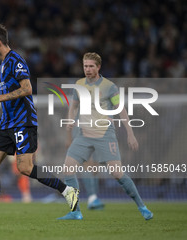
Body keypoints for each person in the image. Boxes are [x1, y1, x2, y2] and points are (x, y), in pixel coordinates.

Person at [0, 24, 79, 224]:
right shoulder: (3, 64)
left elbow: (27, 88)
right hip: (6, 123)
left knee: (25, 167)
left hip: (23, 122)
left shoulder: (16, 60)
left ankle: (67, 190)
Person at [58, 52, 153, 220]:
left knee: (117, 173)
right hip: (83, 135)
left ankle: (143, 207)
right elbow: (73, 107)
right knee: (67, 170)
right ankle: (75, 211)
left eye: (91, 66)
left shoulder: (109, 86)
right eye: (85, 66)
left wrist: (130, 134)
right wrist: (69, 124)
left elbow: (121, 110)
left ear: (98, 67)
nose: (87, 69)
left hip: (104, 134)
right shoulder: (79, 84)